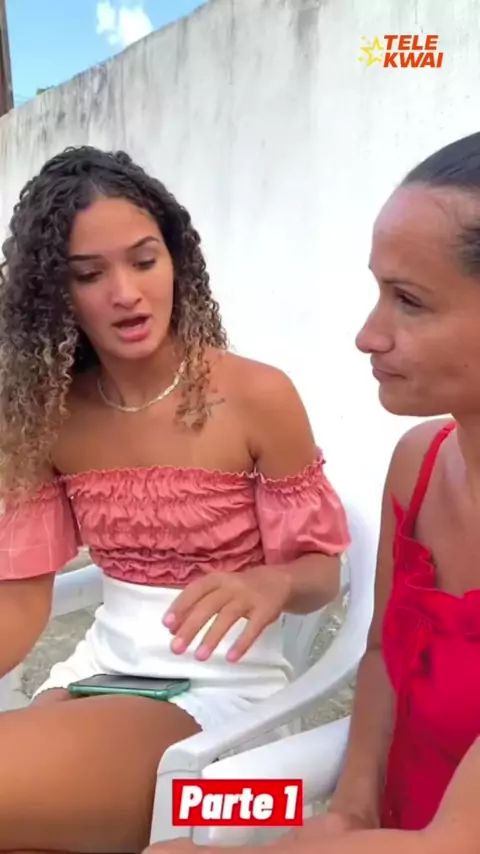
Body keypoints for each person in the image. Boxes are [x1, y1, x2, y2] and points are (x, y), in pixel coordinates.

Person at [0, 145, 349, 853]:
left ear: (177, 261)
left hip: (229, 707)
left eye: (144, 260)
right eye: (89, 275)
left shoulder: (258, 395)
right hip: (96, 677)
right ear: (54, 296)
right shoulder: (49, 416)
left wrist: (274, 581)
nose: (125, 292)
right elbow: (23, 601)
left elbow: (322, 572)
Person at [147, 131, 480, 854]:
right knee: (174, 809)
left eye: (409, 301)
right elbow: (381, 656)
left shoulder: (258, 397)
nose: (367, 335)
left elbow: (455, 839)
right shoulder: (419, 463)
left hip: (231, 702)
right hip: (368, 815)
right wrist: (350, 807)